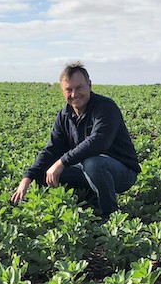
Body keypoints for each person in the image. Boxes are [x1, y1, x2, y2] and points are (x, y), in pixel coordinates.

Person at [11, 61, 141, 220]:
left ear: (89, 85)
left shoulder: (106, 107)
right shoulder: (64, 115)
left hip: (122, 172)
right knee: (43, 175)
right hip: (89, 170)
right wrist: (27, 178)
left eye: (79, 88)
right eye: (68, 90)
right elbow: (51, 149)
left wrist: (61, 162)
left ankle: (111, 216)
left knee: (92, 163)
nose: (74, 94)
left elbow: (98, 142)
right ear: (62, 91)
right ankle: (90, 200)